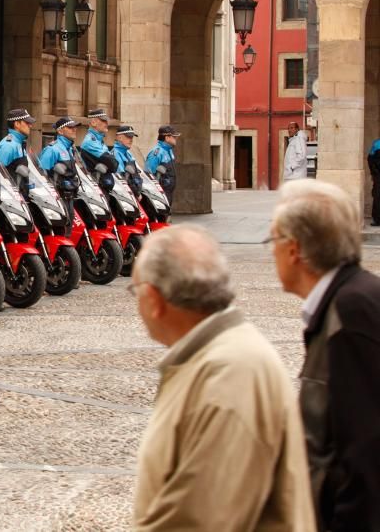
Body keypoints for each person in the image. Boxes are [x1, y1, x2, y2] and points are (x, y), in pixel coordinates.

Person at [132, 225, 315, 531]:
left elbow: (198, 520)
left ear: (153, 298)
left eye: (134, 290)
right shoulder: (215, 356)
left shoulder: (229, 374)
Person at [269, 179, 380, 531]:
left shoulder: (351, 311)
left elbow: (364, 451)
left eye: (273, 240)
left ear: (295, 250)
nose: (270, 252)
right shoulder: (343, 301)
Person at [79, 108, 118, 190]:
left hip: (102, 186)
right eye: (103, 121)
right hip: (95, 187)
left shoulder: (99, 140)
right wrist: (111, 164)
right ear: (93, 122)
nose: (106, 123)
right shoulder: (90, 141)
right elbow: (112, 163)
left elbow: (113, 163)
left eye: (106, 121)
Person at [145, 125, 180, 207]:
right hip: (160, 193)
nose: (176, 139)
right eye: (174, 137)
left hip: (168, 192)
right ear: (167, 138)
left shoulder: (169, 150)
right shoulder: (157, 153)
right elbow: (149, 174)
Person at [0, 108, 36, 176]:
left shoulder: (19, 143)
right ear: (17, 124)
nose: (30, 126)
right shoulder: (8, 146)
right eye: (27, 123)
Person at [112, 124, 143, 195]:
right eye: (128, 137)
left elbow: (136, 174)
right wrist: (135, 192)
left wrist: (139, 191)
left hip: (134, 192)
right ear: (119, 138)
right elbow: (121, 179)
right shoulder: (116, 154)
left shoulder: (128, 153)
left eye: (132, 137)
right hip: (124, 194)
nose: (131, 140)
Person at [367, 136, 380, 226]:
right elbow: (370, 159)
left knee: (377, 196)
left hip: (377, 176)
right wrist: (375, 172)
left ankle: (377, 219)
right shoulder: (377, 144)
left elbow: (370, 159)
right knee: (377, 196)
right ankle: (377, 219)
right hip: (378, 176)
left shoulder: (376, 143)